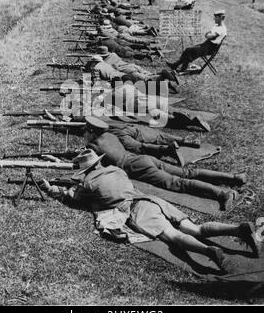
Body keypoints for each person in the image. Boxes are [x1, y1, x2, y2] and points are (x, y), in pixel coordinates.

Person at [40, 149, 261, 272]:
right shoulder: (115, 169)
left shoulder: (88, 185)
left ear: (85, 170)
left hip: (138, 210)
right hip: (151, 200)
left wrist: (52, 189)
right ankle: (237, 229)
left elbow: (72, 196)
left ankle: (208, 253)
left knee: (175, 237)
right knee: (195, 228)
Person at [84, 116, 241, 211]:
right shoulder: (110, 135)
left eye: (86, 131)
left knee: (178, 183)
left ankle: (223, 194)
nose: (84, 134)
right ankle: (234, 177)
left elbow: (87, 164)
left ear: (91, 132)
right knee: (187, 173)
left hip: (136, 166)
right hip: (144, 159)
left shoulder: (92, 146)